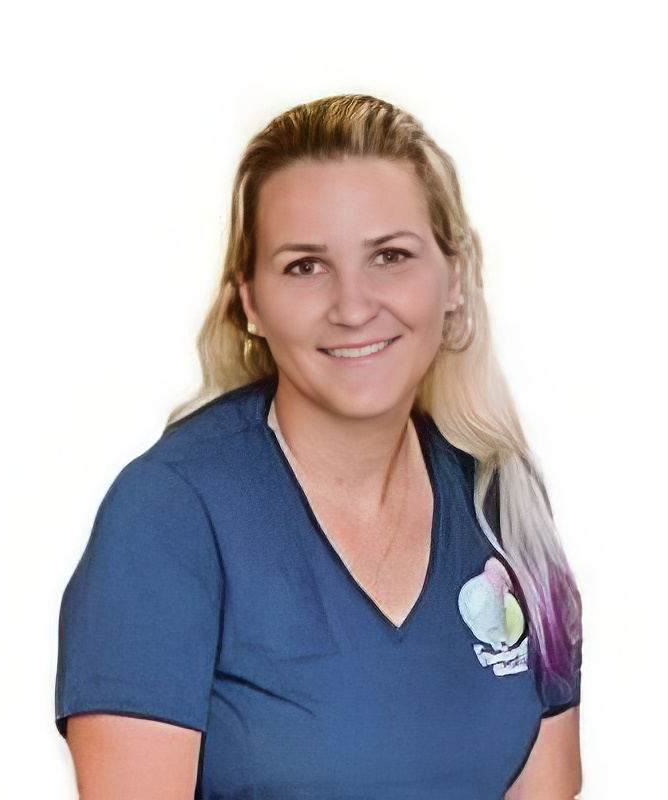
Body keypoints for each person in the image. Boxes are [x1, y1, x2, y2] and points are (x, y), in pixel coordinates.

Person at [56, 94, 582, 799]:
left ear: (454, 278)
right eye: (306, 265)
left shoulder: (500, 498)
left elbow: (548, 788)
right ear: (249, 300)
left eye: (391, 256)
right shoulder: (167, 517)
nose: (354, 306)